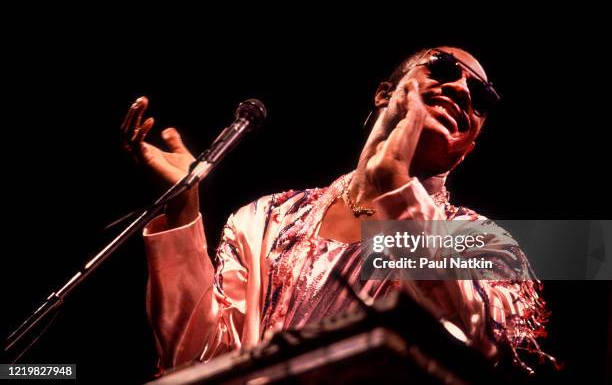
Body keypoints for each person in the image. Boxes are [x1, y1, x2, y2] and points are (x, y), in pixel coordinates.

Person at [120, 46, 551, 374]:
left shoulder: (486, 243)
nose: (460, 89)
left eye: (479, 99)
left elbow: (492, 349)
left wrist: (397, 189)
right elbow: (197, 360)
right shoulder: (265, 219)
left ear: (468, 146)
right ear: (385, 94)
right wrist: (182, 209)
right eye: (441, 69)